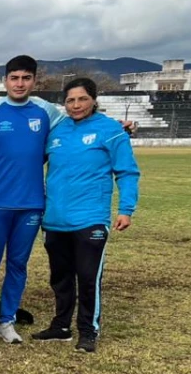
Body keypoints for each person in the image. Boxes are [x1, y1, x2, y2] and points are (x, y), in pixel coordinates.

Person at [36, 77, 140, 353]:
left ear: (94, 99)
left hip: (90, 218)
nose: (76, 105)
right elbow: (31, 163)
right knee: (60, 276)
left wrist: (126, 209)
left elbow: (127, 172)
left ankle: (88, 330)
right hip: (55, 219)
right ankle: (60, 326)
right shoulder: (57, 131)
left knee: (88, 276)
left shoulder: (110, 130)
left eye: (82, 99)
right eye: (70, 100)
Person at [0, 55, 60, 344]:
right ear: (5, 80)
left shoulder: (48, 112)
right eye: (14, 78)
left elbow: (76, 126)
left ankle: (6, 321)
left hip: (31, 203)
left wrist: (119, 126)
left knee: (18, 263)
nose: (20, 83)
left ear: (34, 80)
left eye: (26, 78)